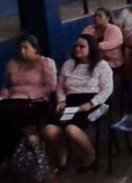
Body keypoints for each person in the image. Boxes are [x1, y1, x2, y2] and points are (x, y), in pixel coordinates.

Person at [43, 35, 113, 173]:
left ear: (91, 48)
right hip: (71, 102)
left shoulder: (102, 66)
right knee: (50, 130)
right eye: (76, 46)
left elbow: (107, 90)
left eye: (82, 46)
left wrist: (91, 103)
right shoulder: (68, 64)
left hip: (96, 104)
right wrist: (61, 100)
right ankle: (62, 154)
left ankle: (90, 154)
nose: (77, 49)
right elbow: (61, 86)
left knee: (71, 129)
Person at [0, 34, 57, 161]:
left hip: (34, 101)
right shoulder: (13, 64)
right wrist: (3, 96)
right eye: (20, 48)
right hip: (12, 99)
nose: (22, 51)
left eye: (26, 48)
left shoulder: (45, 63)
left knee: (15, 118)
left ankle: (7, 154)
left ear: (35, 48)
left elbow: (51, 86)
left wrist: (31, 96)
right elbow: (7, 85)